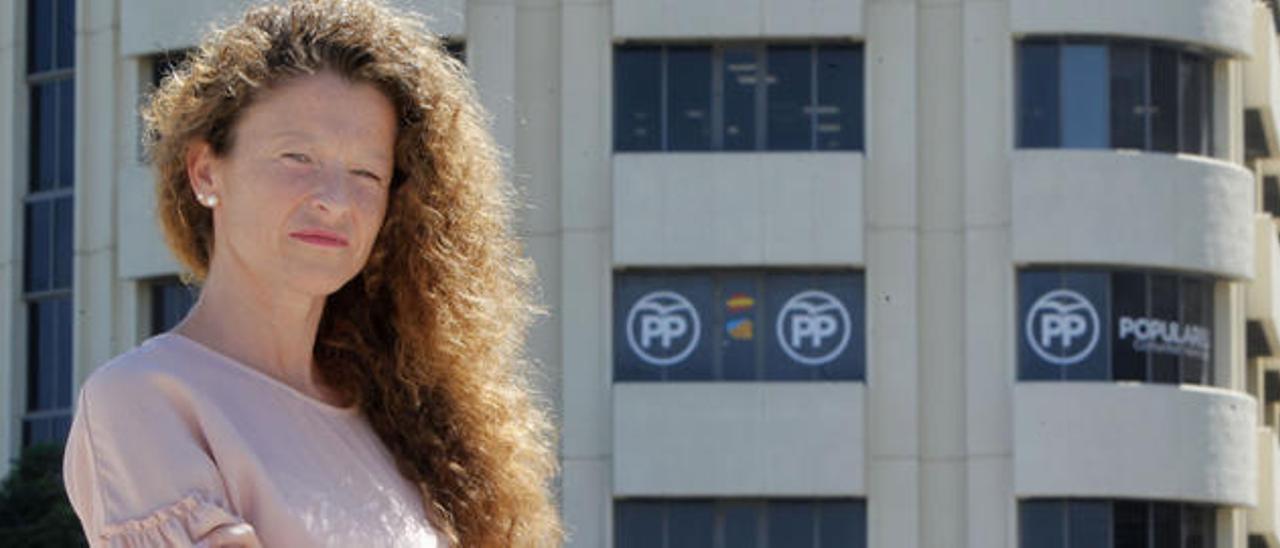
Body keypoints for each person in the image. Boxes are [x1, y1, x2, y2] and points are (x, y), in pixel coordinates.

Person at [61, 1, 563, 546]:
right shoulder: (144, 400)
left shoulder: (399, 422)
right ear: (206, 172)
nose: (335, 200)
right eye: (296, 157)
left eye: (366, 173)